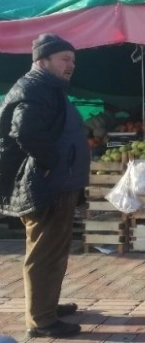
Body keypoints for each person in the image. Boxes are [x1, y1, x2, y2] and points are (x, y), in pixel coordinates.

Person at [0, 33, 90, 338]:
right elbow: (24, 131)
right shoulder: (35, 87)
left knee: (52, 250)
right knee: (44, 253)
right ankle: (41, 320)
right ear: (42, 61)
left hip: (56, 183)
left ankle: (46, 304)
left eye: (73, 60)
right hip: (46, 184)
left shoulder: (47, 88)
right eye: (64, 59)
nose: (71, 65)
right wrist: (52, 164)